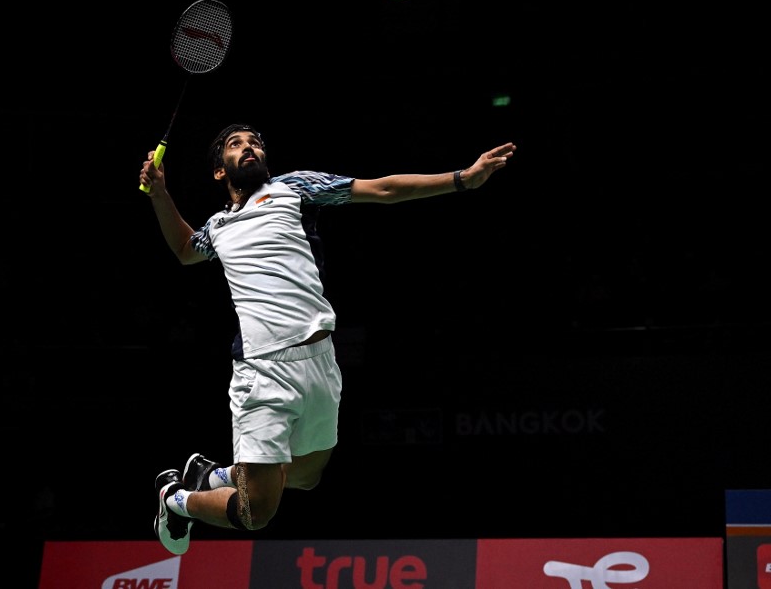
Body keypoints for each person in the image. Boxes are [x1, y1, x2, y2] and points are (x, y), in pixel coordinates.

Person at [139, 123, 516, 554]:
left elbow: (382, 189)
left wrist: (461, 179)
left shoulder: (294, 189)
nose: (249, 148)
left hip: (319, 360)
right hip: (261, 372)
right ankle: (176, 500)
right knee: (255, 512)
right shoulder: (219, 226)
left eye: (255, 142)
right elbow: (186, 250)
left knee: (305, 475)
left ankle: (214, 474)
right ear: (219, 173)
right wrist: (159, 194)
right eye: (235, 144)